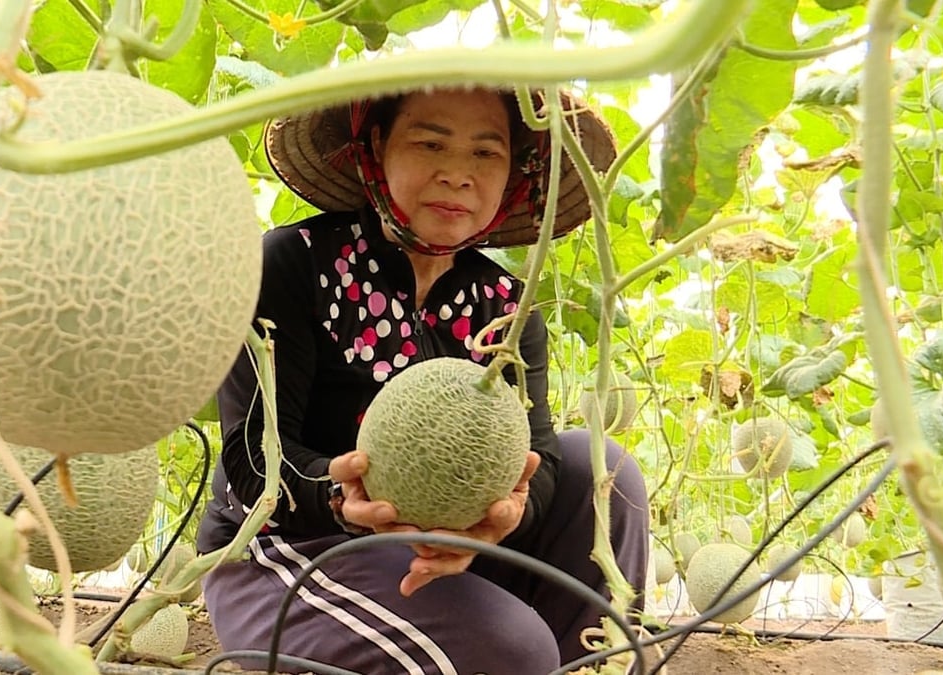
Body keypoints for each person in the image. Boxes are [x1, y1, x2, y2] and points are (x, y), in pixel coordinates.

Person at [194, 85, 650, 674]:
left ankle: (587, 664)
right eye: (430, 143)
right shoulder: (291, 263)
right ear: (377, 147)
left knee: (601, 466)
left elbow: (537, 459)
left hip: (453, 561)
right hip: (293, 550)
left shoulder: (510, 311)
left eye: (486, 153)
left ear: (517, 170)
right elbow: (252, 461)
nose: (458, 174)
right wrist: (336, 494)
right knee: (511, 650)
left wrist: (502, 518)